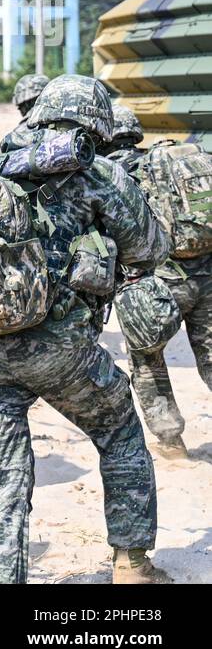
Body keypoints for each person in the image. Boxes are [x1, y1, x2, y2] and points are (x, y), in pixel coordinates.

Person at [0, 76, 172, 583]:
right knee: (118, 431)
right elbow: (151, 251)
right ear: (95, 125)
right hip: (60, 350)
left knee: (5, 475)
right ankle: (132, 565)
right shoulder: (96, 174)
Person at [102, 103, 209, 460]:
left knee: (147, 360)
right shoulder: (164, 163)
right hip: (206, 272)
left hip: (159, 283)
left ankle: (171, 442)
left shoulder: (112, 174)